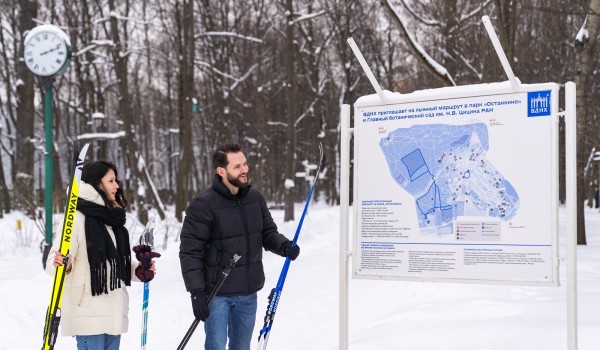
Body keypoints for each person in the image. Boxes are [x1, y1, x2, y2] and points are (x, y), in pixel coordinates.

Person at [179, 143, 300, 350]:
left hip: (247, 292)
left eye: (245, 164)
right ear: (221, 171)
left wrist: (283, 246)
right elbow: (190, 251)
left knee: (242, 347)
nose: (244, 170)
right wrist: (197, 292)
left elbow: (267, 233)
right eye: (237, 167)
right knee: (216, 346)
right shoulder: (203, 204)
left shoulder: (254, 198)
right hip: (216, 295)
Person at [45, 160, 160, 350]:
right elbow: (53, 261)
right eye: (111, 181)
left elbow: (114, 263)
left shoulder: (112, 218)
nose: (117, 185)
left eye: (116, 180)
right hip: (88, 314)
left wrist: (138, 270)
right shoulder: (76, 218)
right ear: (97, 183)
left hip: (114, 312)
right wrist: (62, 263)